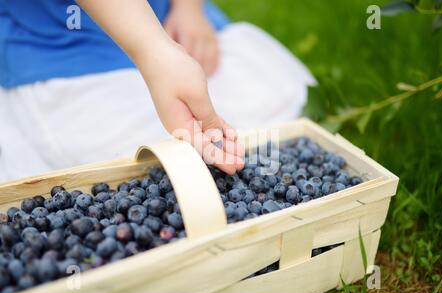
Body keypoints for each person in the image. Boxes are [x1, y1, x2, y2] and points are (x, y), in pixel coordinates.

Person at [0, 0, 316, 183]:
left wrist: (189, 8)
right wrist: (154, 51)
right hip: (63, 39)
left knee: (269, 108)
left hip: (166, 16)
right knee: (137, 170)